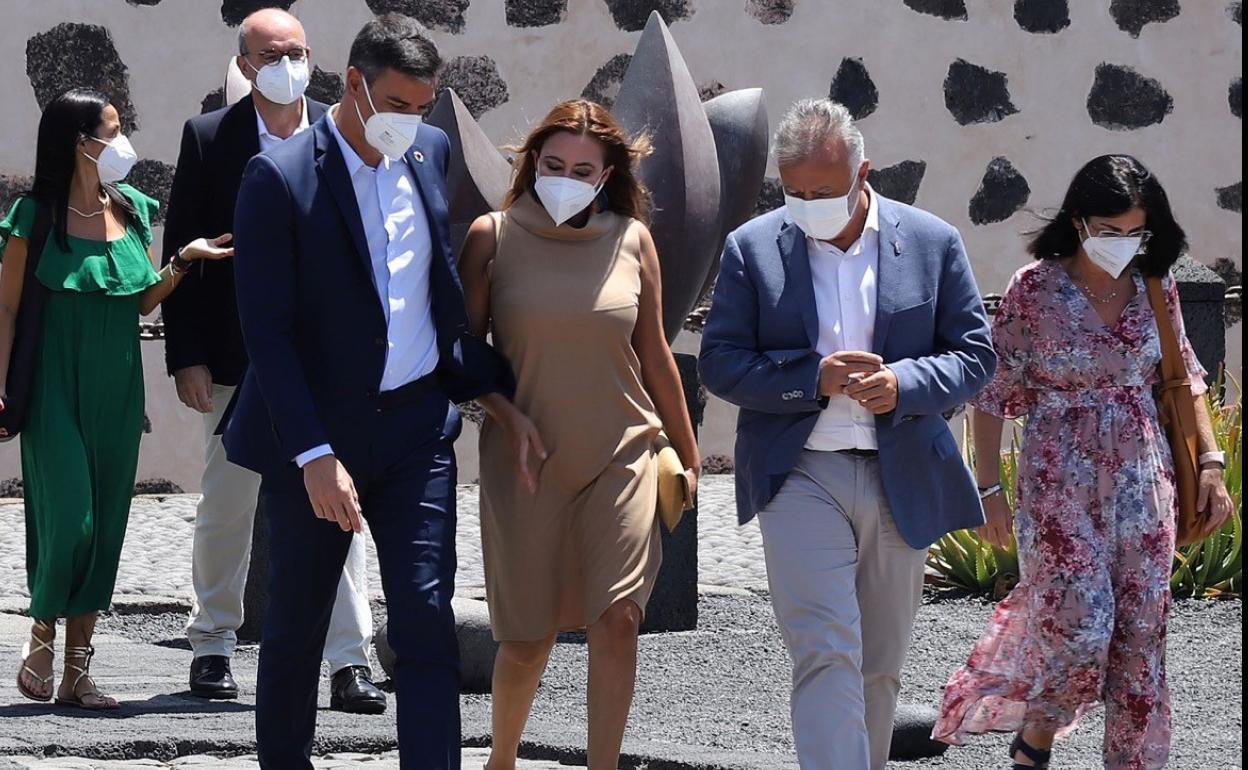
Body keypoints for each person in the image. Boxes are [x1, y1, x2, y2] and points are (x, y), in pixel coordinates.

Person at [224, 15, 513, 769]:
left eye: (423, 106)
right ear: (352, 84)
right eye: (397, 103)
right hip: (316, 440)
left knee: (424, 621)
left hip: (417, 430)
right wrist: (314, 453)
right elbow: (269, 333)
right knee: (294, 630)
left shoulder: (430, 149)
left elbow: (431, 287)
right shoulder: (278, 177)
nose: (410, 122)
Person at [698, 98, 996, 770]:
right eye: (796, 192)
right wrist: (813, 379)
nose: (809, 204)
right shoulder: (752, 248)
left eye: (824, 192)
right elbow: (721, 362)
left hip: (902, 473)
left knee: (881, 662)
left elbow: (975, 355)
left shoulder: (932, 241)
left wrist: (906, 385)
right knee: (826, 648)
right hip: (800, 472)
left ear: (866, 172)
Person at [933, 155, 1234, 770]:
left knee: (1141, 641)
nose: (1123, 243)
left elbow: (1186, 380)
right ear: (1078, 221)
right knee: (1083, 630)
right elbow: (993, 394)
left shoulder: (1158, 284)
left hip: (1143, 482)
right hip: (1058, 482)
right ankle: (1039, 732)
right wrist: (988, 489)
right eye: (1110, 229)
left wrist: (1210, 463)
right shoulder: (1033, 290)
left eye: (1136, 232)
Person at [458, 99, 701, 770]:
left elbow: (655, 353)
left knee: (619, 618)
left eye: (582, 168)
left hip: (622, 450)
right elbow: (461, 355)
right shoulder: (492, 235)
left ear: (607, 174)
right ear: (534, 161)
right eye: (553, 163)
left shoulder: (633, 239)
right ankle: (500, 759)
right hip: (524, 461)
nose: (565, 175)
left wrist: (686, 450)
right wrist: (509, 416)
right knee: (528, 638)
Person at [161, 7, 381, 712]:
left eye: (298, 50)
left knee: (341, 507)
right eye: (273, 52)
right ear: (246, 63)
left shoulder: (341, 133)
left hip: (327, 364)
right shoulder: (208, 138)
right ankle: (213, 646)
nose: (288, 63)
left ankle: (351, 661)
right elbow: (185, 246)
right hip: (236, 359)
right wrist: (186, 355)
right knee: (227, 506)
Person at [2, 89, 230, 708]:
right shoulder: (32, 216)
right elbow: (6, 307)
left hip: (118, 389)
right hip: (53, 385)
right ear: (83, 142)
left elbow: (142, 299)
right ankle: (42, 634)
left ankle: (79, 667)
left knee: (106, 525)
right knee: (71, 515)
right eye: (114, 128)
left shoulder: (132, 208)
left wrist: (183, 259)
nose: (124, 138)